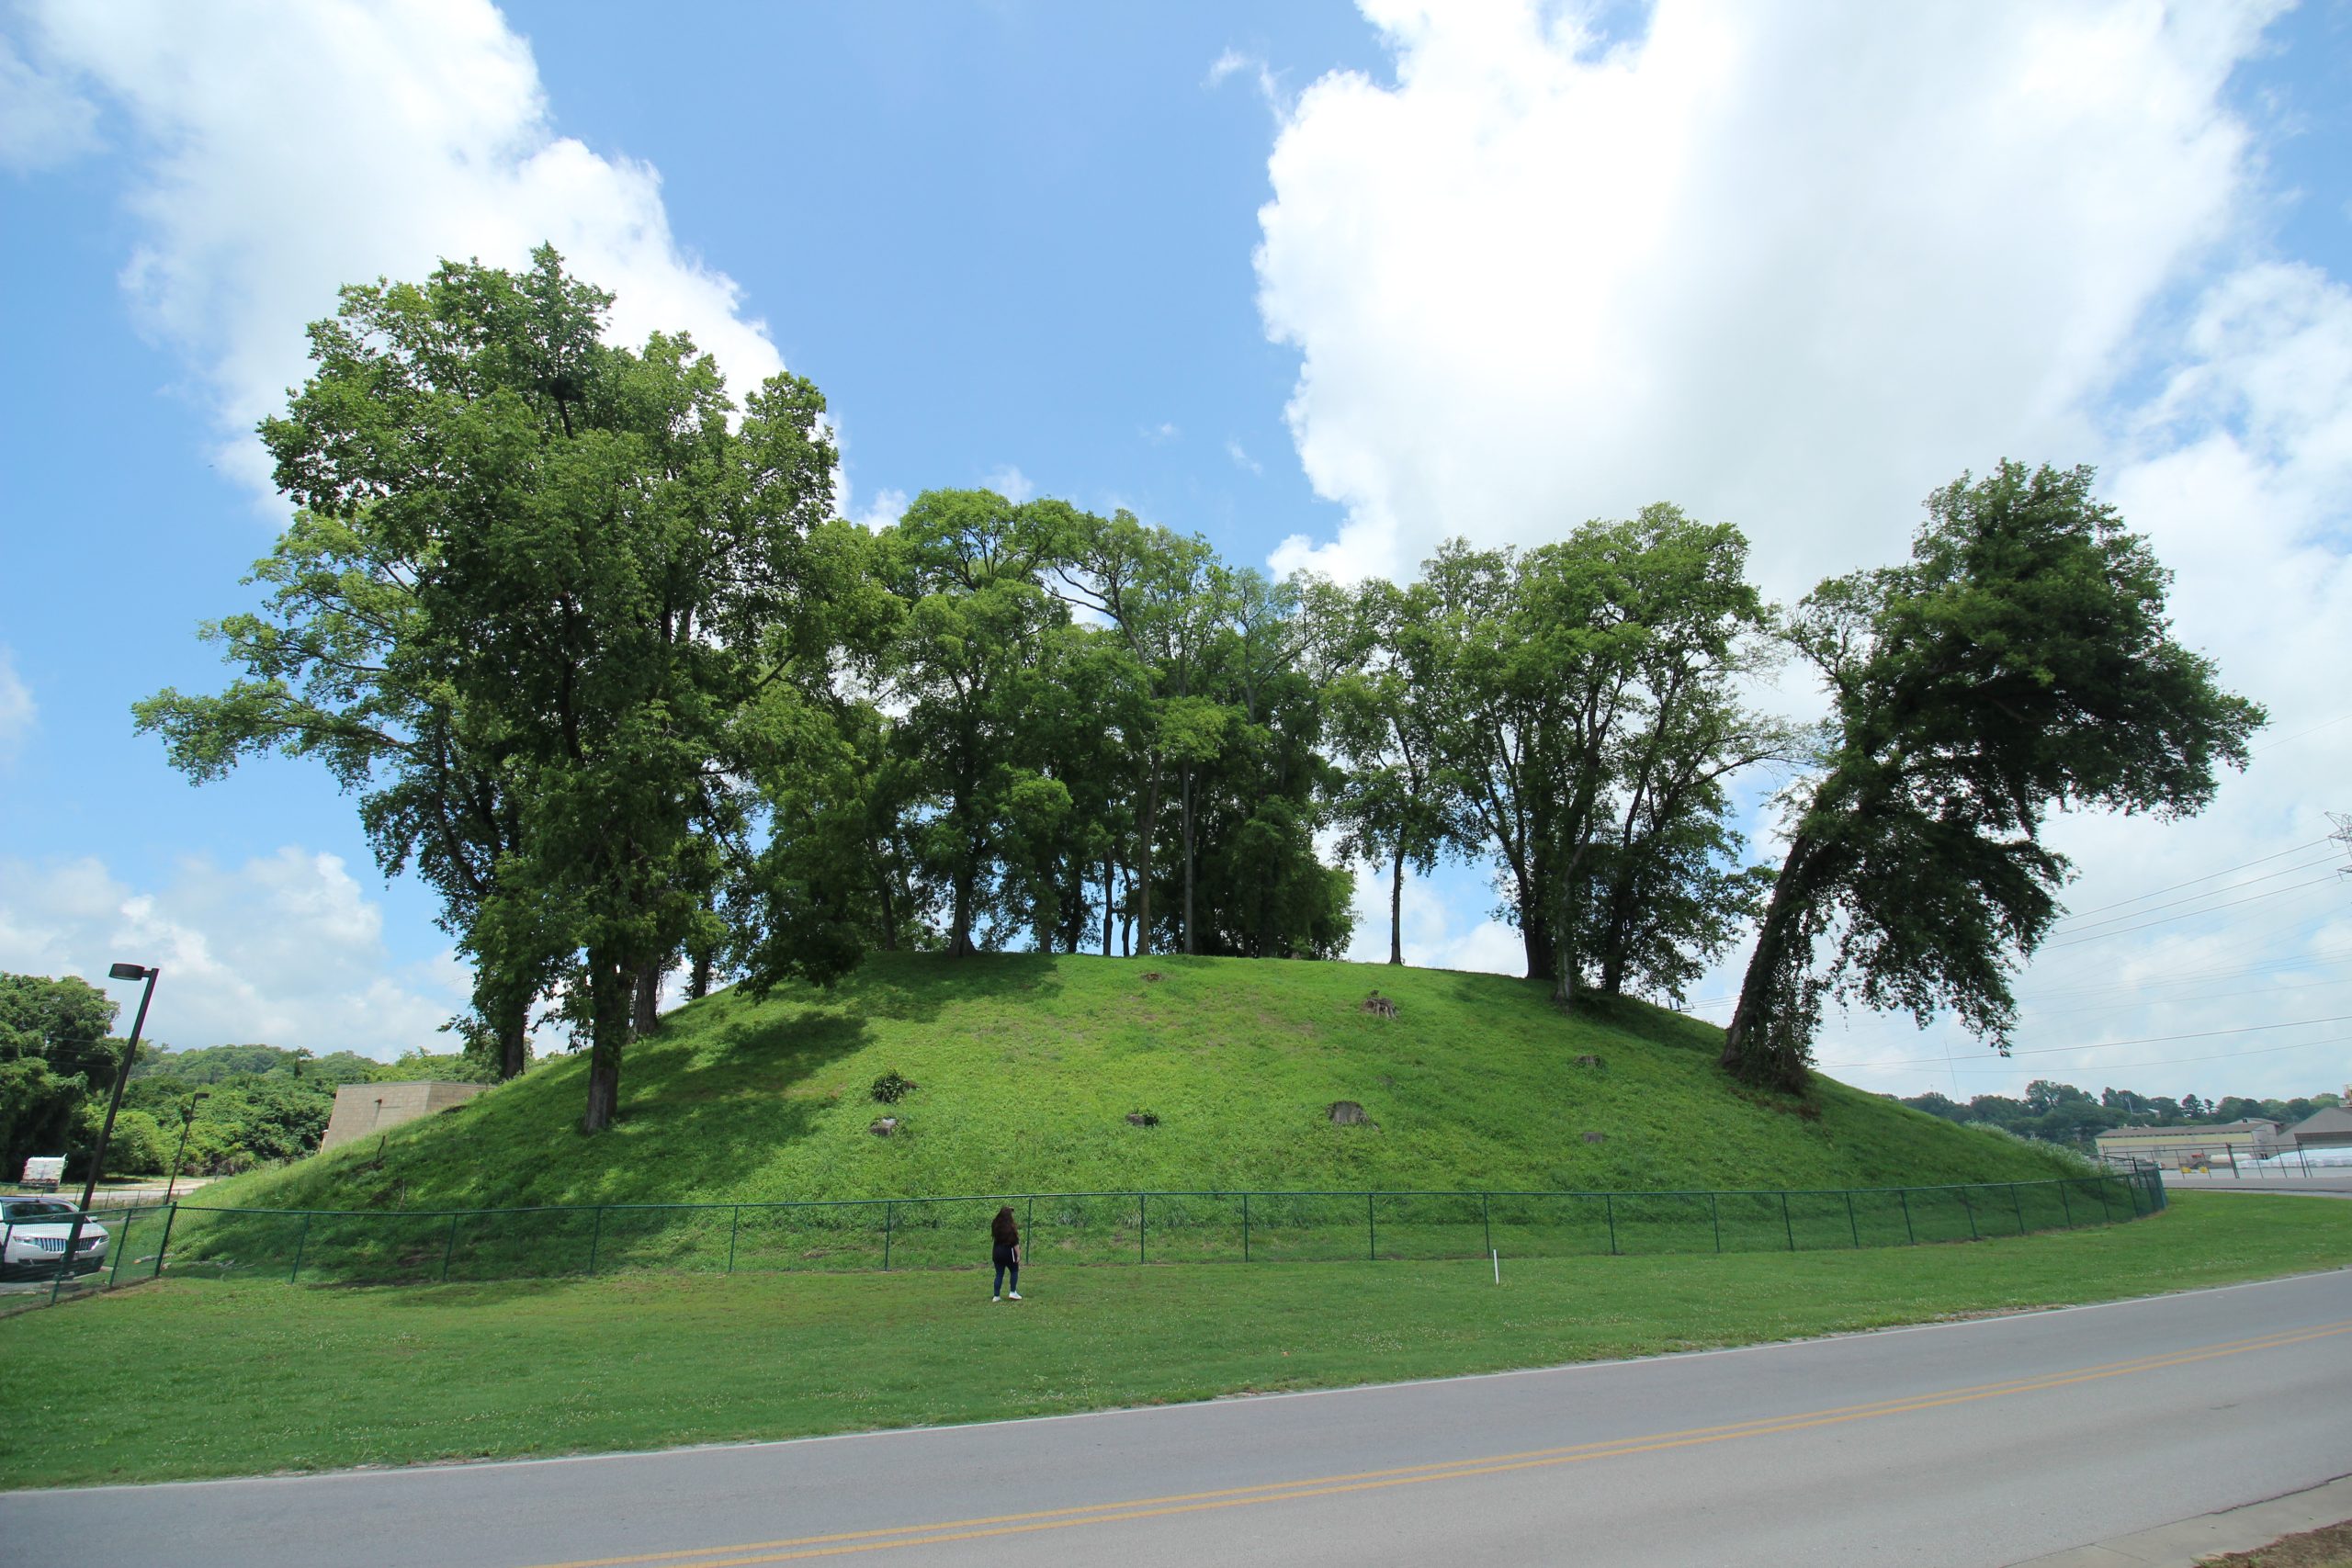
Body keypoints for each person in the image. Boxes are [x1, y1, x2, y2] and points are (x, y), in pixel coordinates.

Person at [990, 1205, 1023, 1302]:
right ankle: (1013, 1292)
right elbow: (1015, 1243)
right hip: (1009, 1253)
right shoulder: (1011, 1227)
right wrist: (1018, 1255)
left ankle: (996, 1296)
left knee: (999, 1274)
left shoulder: (995, 1225)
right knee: (1014, 1271)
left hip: (997, 1252)